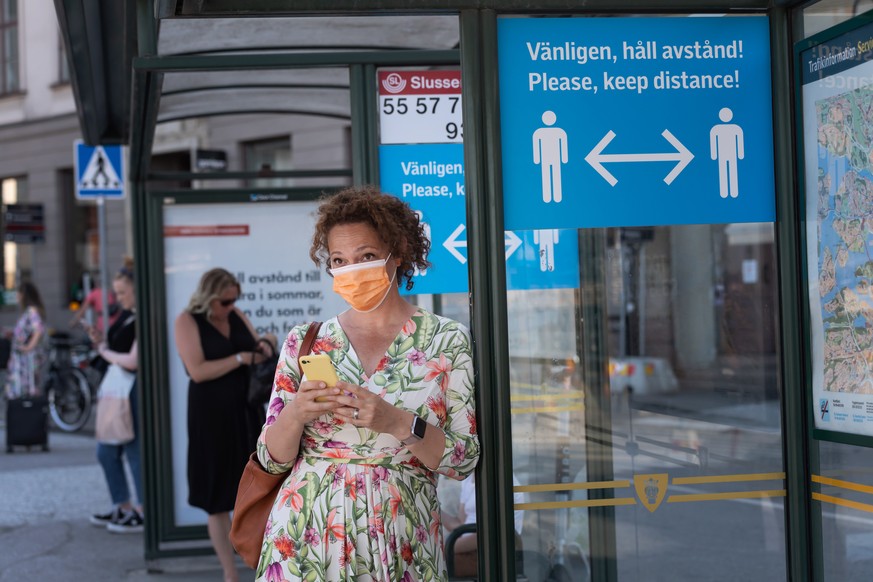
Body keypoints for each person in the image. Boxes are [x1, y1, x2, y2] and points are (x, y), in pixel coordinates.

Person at [254, 186, 480, 581]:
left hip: (400, 539)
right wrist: (296, 413)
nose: (351, 271)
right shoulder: (305, 339)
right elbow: (271, 458)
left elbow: (462, 461)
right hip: (303, 537)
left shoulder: (447, 340)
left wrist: (396, 422)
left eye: (367, 257)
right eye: (339, 260)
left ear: (400, 251)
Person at [174, 268, 274, 582]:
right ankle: (229, 572)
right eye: (226, 301)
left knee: (256, 488)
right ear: (210, 297)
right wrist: (240, 359)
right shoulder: (187, 321)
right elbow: (198, 370)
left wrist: (267, 343)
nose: (231, 306)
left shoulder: (236, 314)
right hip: (211, 415)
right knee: (216, 496)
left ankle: (261, 565)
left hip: (245, 411)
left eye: (234, 300)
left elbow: (257, 342)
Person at [88, 258, 145, 533]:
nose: (119, 298)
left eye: (123, 292)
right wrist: (101, 341)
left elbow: (133, 360)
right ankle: (122, 505)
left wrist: (103, 352)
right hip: (118, 388)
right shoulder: (126, 314)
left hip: (131, 387)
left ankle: (142, 509)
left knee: (132, 449)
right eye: (117, 293)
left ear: (137, 288)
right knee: (107, 449)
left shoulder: (142, 316)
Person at [4, 281, 48, 399]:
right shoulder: (28, 312)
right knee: (21, 389)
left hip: (26, 361)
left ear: (23, 294)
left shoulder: (31, 311)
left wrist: (29, 347)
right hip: (21, 359)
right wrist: (13, 334)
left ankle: (25, 414)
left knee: (25, 390)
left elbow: (39, 330)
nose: (17, 296)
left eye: (18, 293)